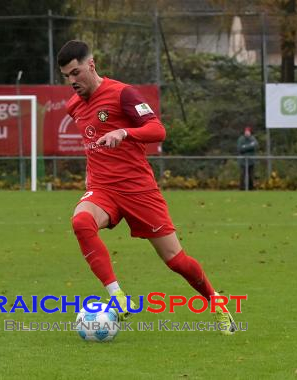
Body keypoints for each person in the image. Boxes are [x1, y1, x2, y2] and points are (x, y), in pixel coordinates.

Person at [58, 40, 236, 335]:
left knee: (176, 261)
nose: (72, 81)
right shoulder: (73, 107)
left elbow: (158, 130)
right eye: (67, 77)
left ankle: (215, 301)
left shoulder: (123, 94)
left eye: (76, 73)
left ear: (92, 64)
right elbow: (91, 144)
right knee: (81, 222)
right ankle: (117, 297)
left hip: (139, 190)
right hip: (104, 190)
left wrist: (124, 132)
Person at [237, 126, 258, 191]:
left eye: (248, 132)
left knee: (251, 175)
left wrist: (245, 147)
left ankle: (251, 188)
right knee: (242, 175)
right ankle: (242, 188)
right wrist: (249, 146)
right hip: (243, 161)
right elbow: (240, 149)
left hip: (251, 161)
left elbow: (255, 146)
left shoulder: (253, 138)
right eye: (246, 132)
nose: (247, 133)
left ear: (250, 132)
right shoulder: (241, 139)